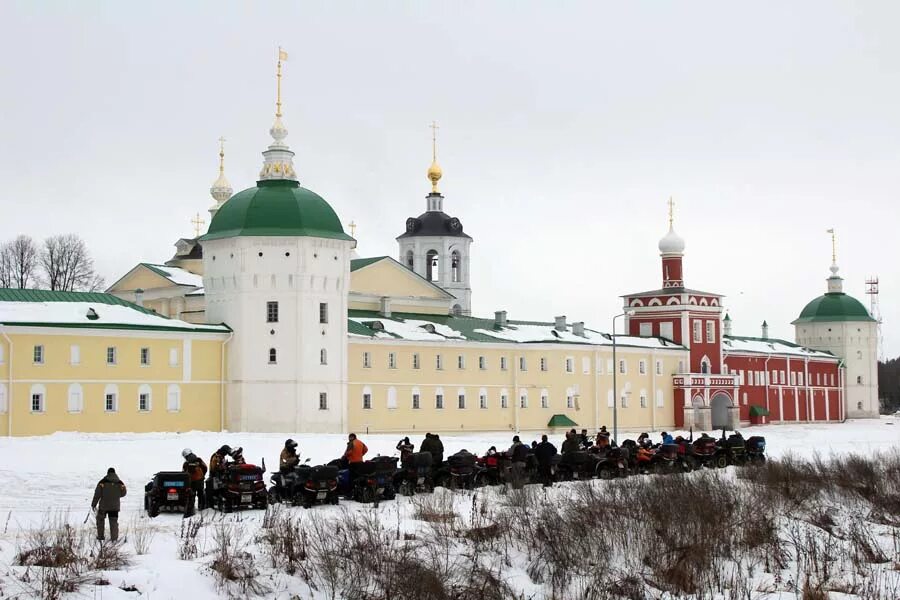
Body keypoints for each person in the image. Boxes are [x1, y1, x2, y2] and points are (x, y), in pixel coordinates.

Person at [91, 467, 127, 542]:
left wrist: (94, 504)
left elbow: (97, 494)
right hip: (114, 507)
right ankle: (114, 539)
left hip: (103, 506)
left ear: (108, 473)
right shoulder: (120, 482)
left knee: (100, 521)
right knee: (113, 522)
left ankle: (100, 537)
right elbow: (123, 493)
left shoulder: (102, 482)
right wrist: (116, 495)